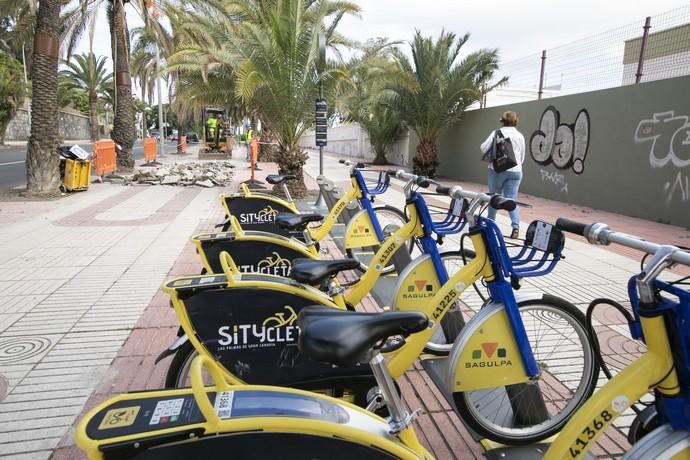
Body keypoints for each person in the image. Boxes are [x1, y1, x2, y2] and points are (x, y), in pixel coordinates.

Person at [480, 110, 526, 239]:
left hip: (497, 170)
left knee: (494, 197)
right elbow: (522, 157)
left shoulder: (496, 133)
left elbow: (483, 148)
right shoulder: (520, 136)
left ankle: (490, 226)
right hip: (516, 171)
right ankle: (516, 227)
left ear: (502, 121)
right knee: (511, 199)